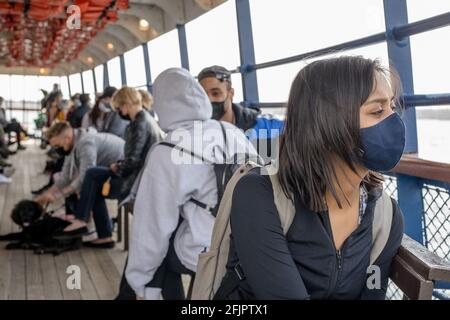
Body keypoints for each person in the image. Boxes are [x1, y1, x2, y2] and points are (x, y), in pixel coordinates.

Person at [215, 56, 405, 300]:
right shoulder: (260, 194)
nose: (394, 121)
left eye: (392, 107)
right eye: (378, 110)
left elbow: (372, 292)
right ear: (327, 122)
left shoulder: (385, 215)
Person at [125, 68, 258, 300]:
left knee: (159, 250)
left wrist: (139, 279)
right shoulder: (232, 132)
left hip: (208, 251)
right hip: (250, 242)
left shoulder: (166, 151)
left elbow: (152, 226)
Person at [55, 87, 163, 247]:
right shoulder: (147, 119)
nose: (119, 111)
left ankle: (85, 222)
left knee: (92, 178)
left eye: (118, 108)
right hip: (143, 177)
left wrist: (116, 167)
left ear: (125, 104)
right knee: (92, 180)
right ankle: (95, 229)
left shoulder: (138, 125)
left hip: (135, 183)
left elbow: (132, 161)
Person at [34, 122, 124, 232]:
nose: (56, 150)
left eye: (57, 146)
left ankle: (83, 221)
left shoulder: (86, 144)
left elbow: (85, 177)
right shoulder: (73, 143)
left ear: (67, 138)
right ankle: (104, 236)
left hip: (124, 179)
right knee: (88, 186)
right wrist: (48, 193)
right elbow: (65, 177)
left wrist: (58, 195)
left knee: (89, 186)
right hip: (112, 175)